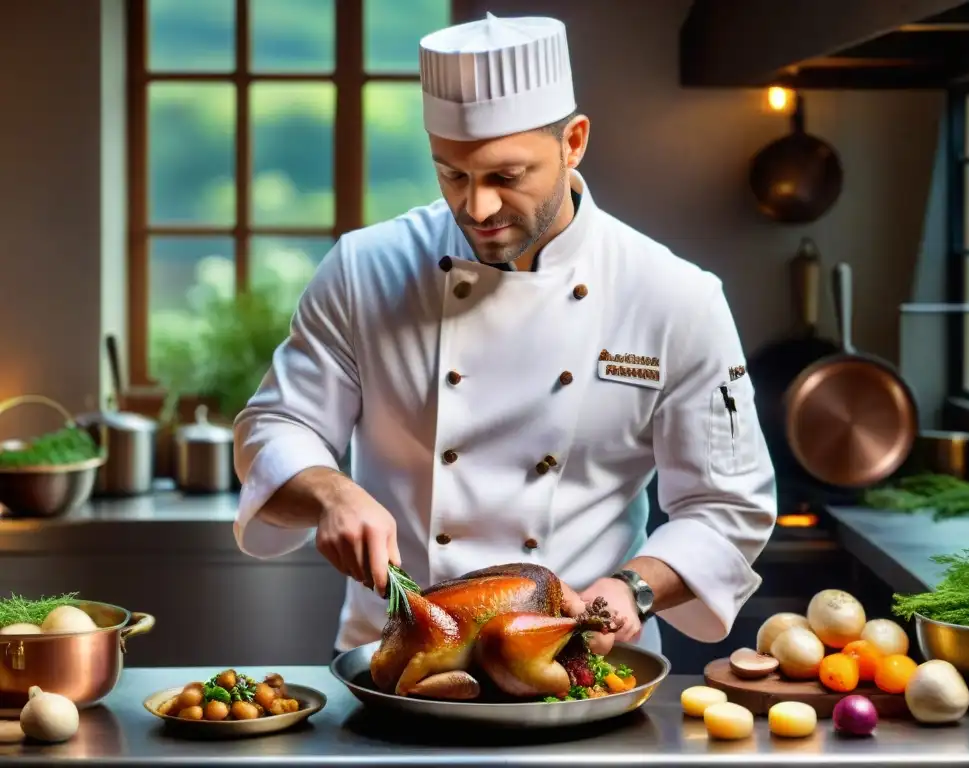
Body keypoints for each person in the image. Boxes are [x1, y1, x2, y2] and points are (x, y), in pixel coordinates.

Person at [232, 12, 777, 661]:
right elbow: (272, 428)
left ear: (573, 142)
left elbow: (727, 506)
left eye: (506, 177)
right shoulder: (365, 269)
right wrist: (332, 491)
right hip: (394, 664)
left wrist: (633, 588)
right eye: (453, 174)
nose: (478, 208)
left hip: (573, 663)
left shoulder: (673, 296)